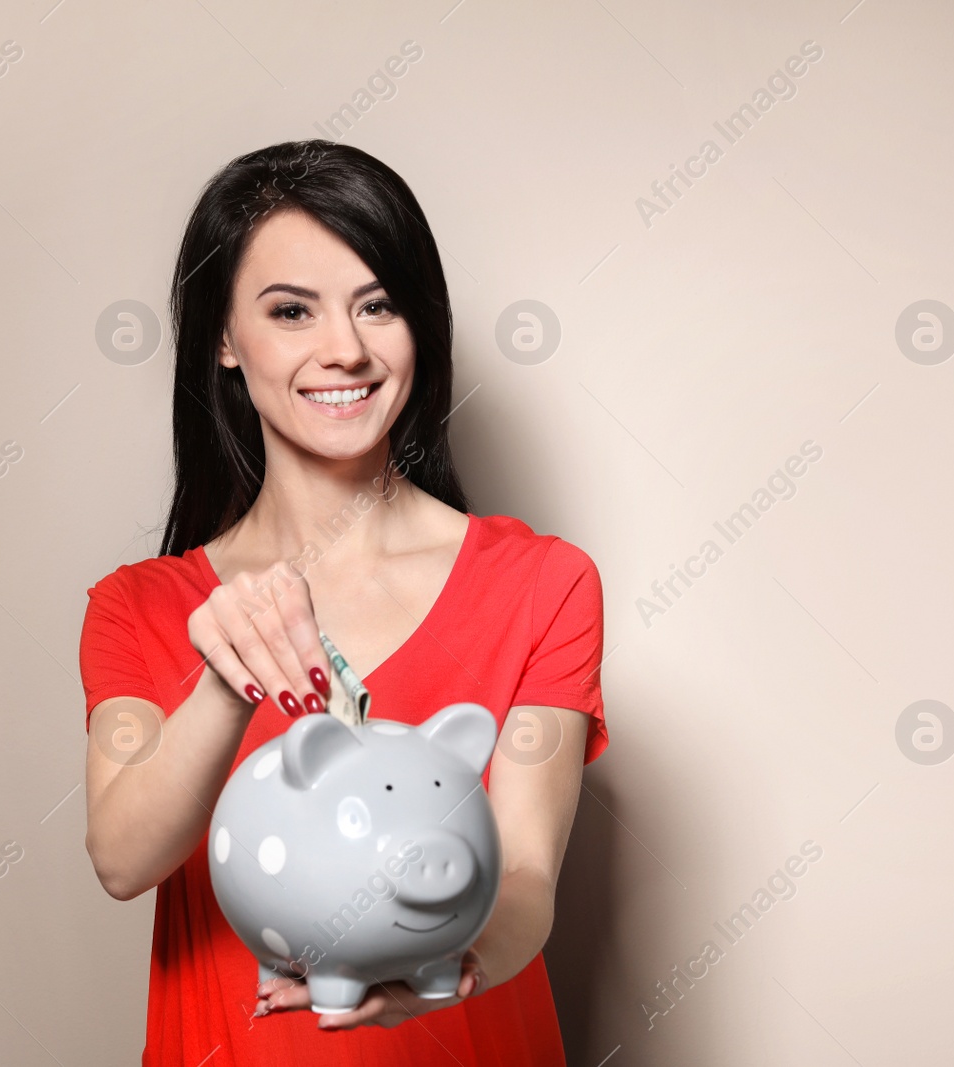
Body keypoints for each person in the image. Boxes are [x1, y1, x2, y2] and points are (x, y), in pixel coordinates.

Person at [79, 139, 607, 1066]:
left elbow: (525, 873)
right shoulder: (140, 607)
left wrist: (457, 958)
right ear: (223, 340)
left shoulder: (541, 583)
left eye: (380, 305)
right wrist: (223, 679)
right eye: (291, 311)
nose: (346, 350)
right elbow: (124, 859)